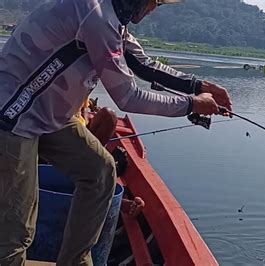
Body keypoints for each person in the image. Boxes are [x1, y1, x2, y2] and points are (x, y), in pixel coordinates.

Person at [0, 0, 232, 265]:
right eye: (155, 1)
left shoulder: (112, 19)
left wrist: (198, 85)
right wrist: (191, 104)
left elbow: (143, 64)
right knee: (15, 226)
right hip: (13, 114)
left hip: (50, 114)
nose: (155, 7)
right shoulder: (96, 16)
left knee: (100, 172)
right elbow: (128, 96)